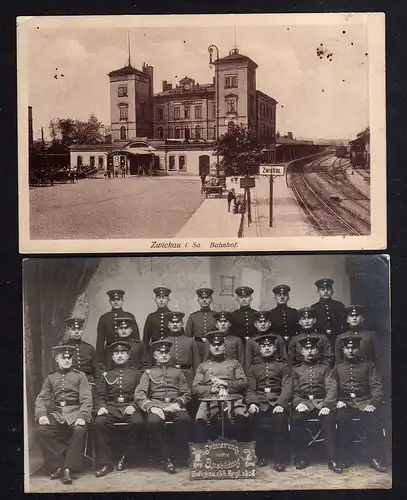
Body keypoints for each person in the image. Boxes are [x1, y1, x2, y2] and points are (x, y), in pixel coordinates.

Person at [35, 345, 92, 485]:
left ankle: (68, 468)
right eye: (63, 357)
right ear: (57, 359)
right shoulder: (51, 377)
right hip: (57, 414)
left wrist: (82, 416)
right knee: (41, 430)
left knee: (80, 429)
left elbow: (86, 399)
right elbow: (42, 398)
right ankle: (57, 466)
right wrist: (41, 414)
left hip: (75, 413)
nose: (67, 360)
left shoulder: (80, 376)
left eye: (69, 357)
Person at [134, 339, 193, 474]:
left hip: (174, 405)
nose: (164, 355)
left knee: (185, 420)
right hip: (156, 405)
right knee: (153, 422)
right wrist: (152, 408)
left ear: (170, 354)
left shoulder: (178, 373)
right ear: (155, 356)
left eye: (166, 352)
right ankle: (164, 458)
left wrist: (177, 404)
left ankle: (178, 455)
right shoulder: (148, 373)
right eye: (160, 353)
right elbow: (139, 394)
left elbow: (186, 393)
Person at [334, 336, 387, 472]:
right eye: (347, 348)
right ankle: (345, 456)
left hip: (365, 401)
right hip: (345, 402)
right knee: (340, 418)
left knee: (374, 418)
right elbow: (332, 387)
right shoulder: (338, 366)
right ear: (343, 349)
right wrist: (338, 400)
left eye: (354, 348)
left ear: (359, 349)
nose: (351, 350)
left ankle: (375, 458)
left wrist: (374, 402)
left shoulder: (368, 365)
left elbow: (376, 386)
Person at [291, 336, 343, 473]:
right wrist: (298, 403)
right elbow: (294, 391)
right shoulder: (296, 370)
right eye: (306, 349)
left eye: (312, 348)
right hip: (304, 402)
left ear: (317, 350)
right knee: (296, 418)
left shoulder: (325, 368)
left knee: (329, 419)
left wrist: (327, 405)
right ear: (302, 351)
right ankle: (302, 456)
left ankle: (332, 459)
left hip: (322, 402)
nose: (310, 351)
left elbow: (331, 388)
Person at [93, 341, 145, 477]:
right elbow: (100, 395)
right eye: (116, 353)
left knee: (138, 422)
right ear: (112, 357)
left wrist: (134, 406)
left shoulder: (136, 373)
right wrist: (102, 407)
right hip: (111, 407)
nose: (120, 356)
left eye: (123, 353)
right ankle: (106, 463)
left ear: (128, 356)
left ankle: (126, 456)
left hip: (130, 406)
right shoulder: (106, 374)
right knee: (99, 422)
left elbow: (142, 394)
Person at [246, 334, 292, 471]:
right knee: (254, 418)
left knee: (280, 421)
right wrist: (252, 403)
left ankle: (280, 459)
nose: (267, 348)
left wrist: (280, 404)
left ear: (274, 347)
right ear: (260, 349)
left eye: (270, 346)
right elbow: (250, 389)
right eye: (264, 346)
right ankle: (261, 456)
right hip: (260, 402)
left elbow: (287, 387)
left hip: (277, 402)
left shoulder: (282, 366)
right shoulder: (254, 368)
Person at [193, 331, 248, 443]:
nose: (216, 347)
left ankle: (242, 453)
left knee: (241, 418)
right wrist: (211, 389)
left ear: (224, 346)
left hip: (232, 399)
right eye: (214, 345)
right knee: (200, 419)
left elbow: (243, 382)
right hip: (210, 399)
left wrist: (226, 384)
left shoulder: (234, 363)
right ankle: (203, 454)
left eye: (219, 345)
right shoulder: (203, 366)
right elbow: (195, 387)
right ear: (210, 347)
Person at [96, 289, 139, 368]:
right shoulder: (104, 318)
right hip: (110, 353)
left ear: (122, 301)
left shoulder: (129, 316)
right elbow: (100, 341)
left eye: (118, 299)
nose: (116, 302)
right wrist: (100, 360)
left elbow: (136, 338)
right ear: (110, 301)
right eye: (113, 300)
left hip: (127, 352)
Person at [62, 316, 100, 396]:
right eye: (73, 329)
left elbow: (96, 371)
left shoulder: (89, 348)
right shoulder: (63, 349)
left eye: (79, 329)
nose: (76, 332)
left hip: (88, 382)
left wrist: (97, 387)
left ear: (82, 331)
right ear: (68, 330)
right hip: (69, 383)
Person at [164, 311, 201, 388]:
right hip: (170, 376)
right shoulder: (164, 342)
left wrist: (197, 380)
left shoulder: (190, 341)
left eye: (177, 322)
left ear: (182, 324)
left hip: (188, 376)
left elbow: (196, 364)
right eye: (172, 322)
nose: (175, 324)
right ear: (168, 325)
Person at [311, 278, 345, 349]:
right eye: (322, 290)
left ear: (332, 291)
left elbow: (345, 325)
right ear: (318, 291)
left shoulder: (339, 306)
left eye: (328, 289)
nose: (326, 292)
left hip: (337, 340)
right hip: (321, 342)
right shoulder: (314, 308)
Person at [185, 288, 217, 359]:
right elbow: (188, 336)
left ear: (211, 300)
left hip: (212, 348)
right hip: (196, 348)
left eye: (207, 298)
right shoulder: (193, 316)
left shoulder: (216, 316)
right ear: (198, 300)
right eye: (202, 298)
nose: (204, 300)